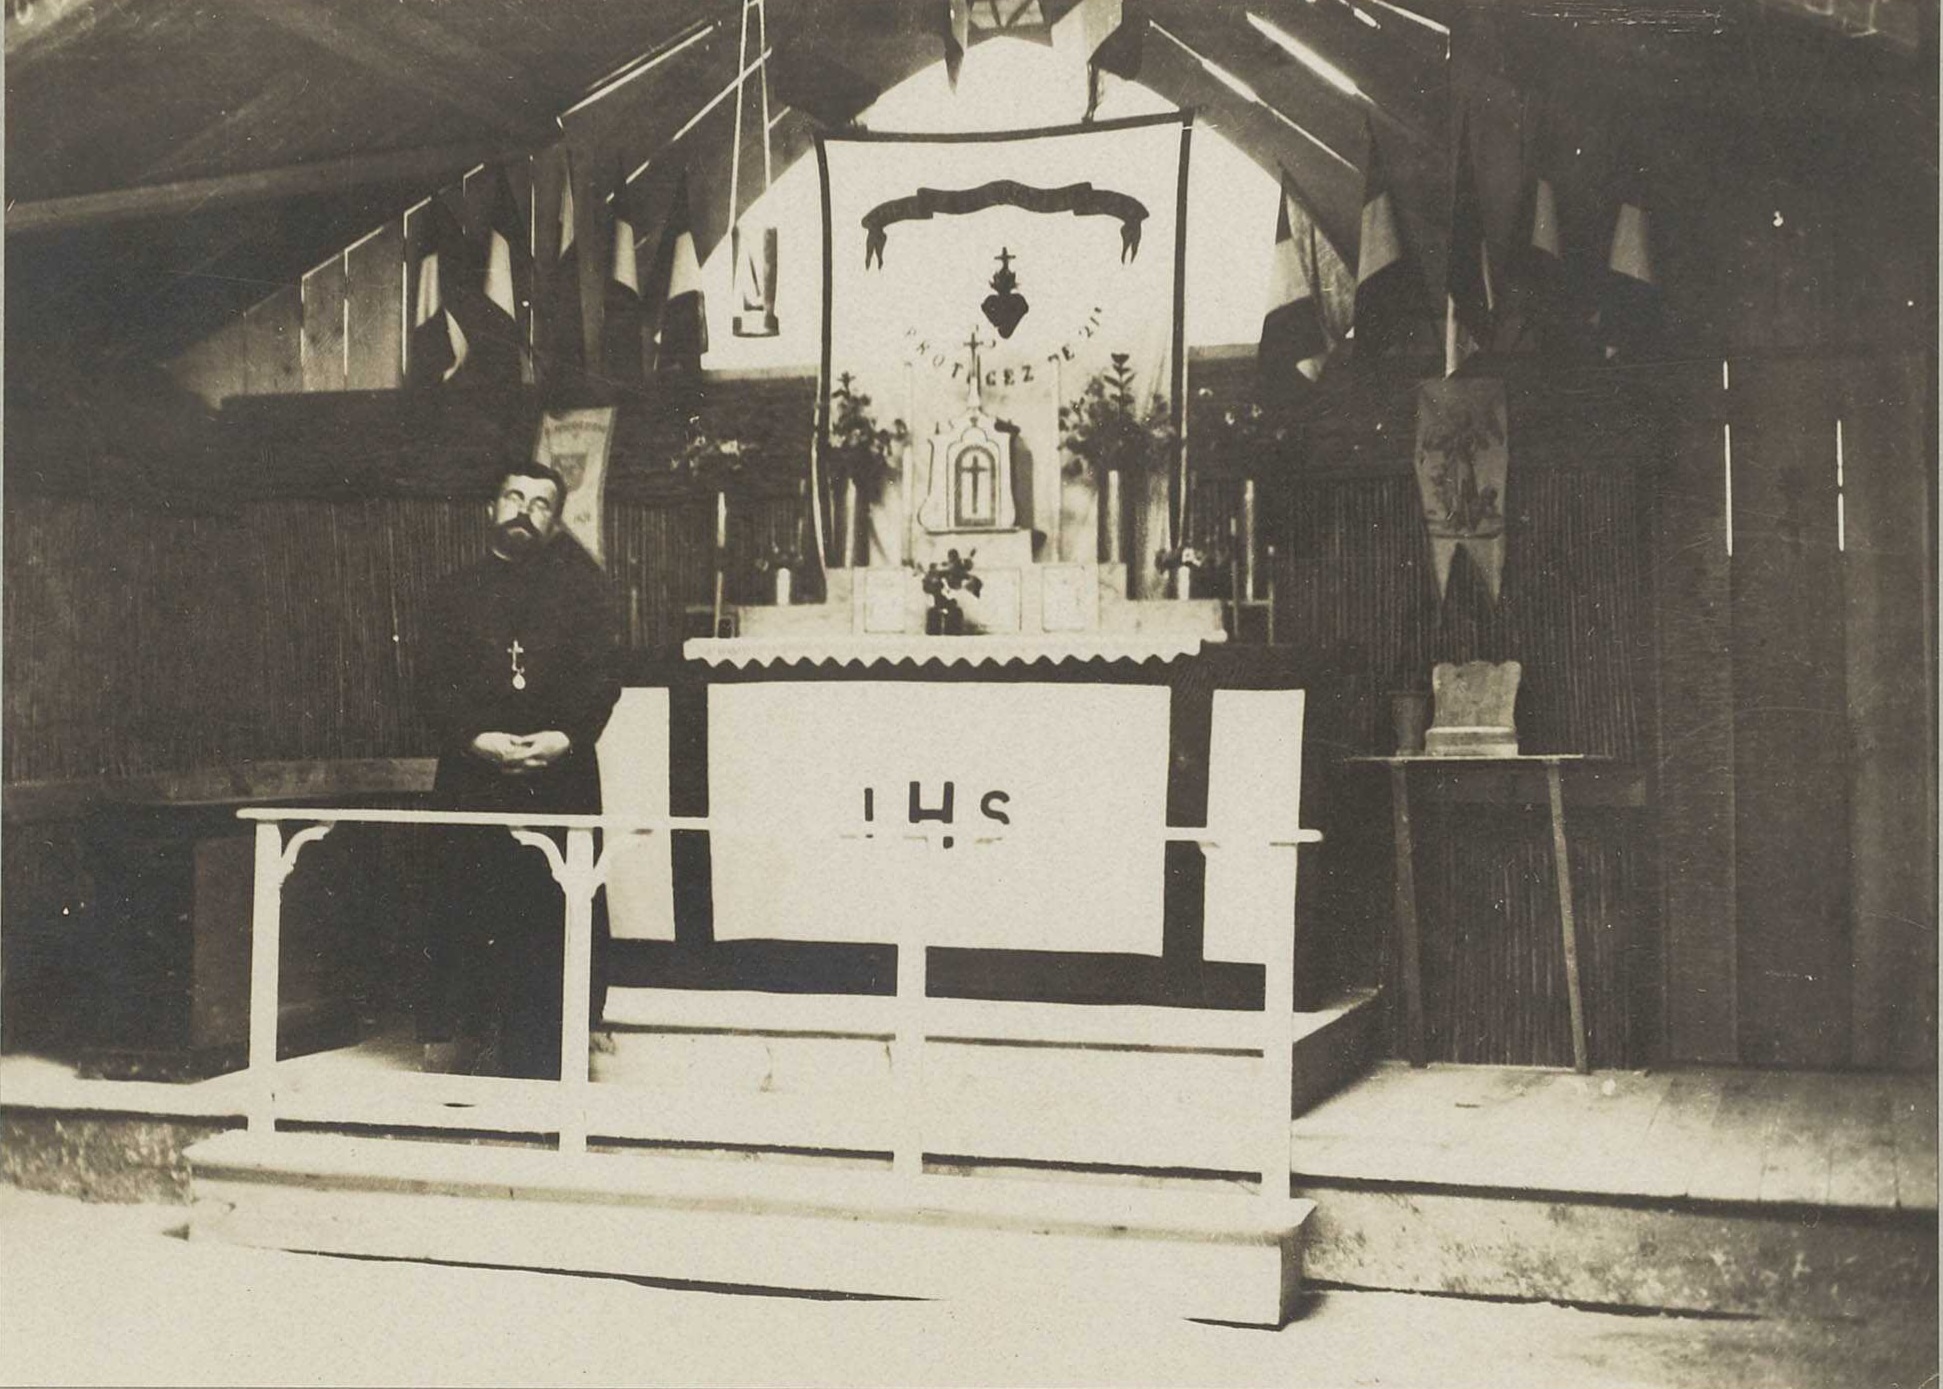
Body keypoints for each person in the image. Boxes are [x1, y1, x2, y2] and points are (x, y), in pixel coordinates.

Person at [417, 462, 621, 1079]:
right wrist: (477, 739)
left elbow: (602, 679)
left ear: (555, 521)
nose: (523, 511)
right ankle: (465, 1042)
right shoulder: (451, 594)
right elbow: (430, 683)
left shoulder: (582, 594)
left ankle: (554, 1050)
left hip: (557, 779)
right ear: (491, 507)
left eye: (540, 504)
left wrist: (562, 737)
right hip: (473, 778)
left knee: (553, 908)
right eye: (513, 496)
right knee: (470, 903)